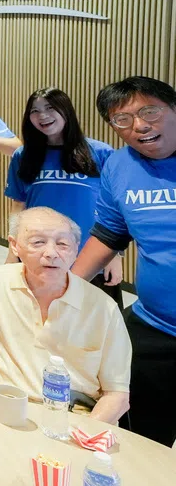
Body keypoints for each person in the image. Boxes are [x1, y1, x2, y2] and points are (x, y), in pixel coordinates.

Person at [0, 207, 130, 422]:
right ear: (14, 245)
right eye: (38, 242)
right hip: (5, 410)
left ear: (76, 249)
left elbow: (117, 395)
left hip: (76, 417)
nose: (51, 253)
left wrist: (82, 437)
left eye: (62, 244)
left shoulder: (104, 308)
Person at [73, 75, 176, 446]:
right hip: (156, 325)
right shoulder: (119, 166)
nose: (139, 126)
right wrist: (63, 287)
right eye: (123, 120)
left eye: (150, 111)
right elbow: (110, 234)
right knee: (141, 440)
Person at [6, 87, 121, 304]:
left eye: (50, 108)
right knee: (42, 324)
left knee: (93, 330)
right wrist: (13, 253)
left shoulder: (100, 152)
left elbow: (115, 209)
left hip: (90, 257)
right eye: (35, 110)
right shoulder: (23, 156)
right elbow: (18, 205)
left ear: (66, 111)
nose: (43, 116)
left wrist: (115, 255)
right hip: (39, 257)